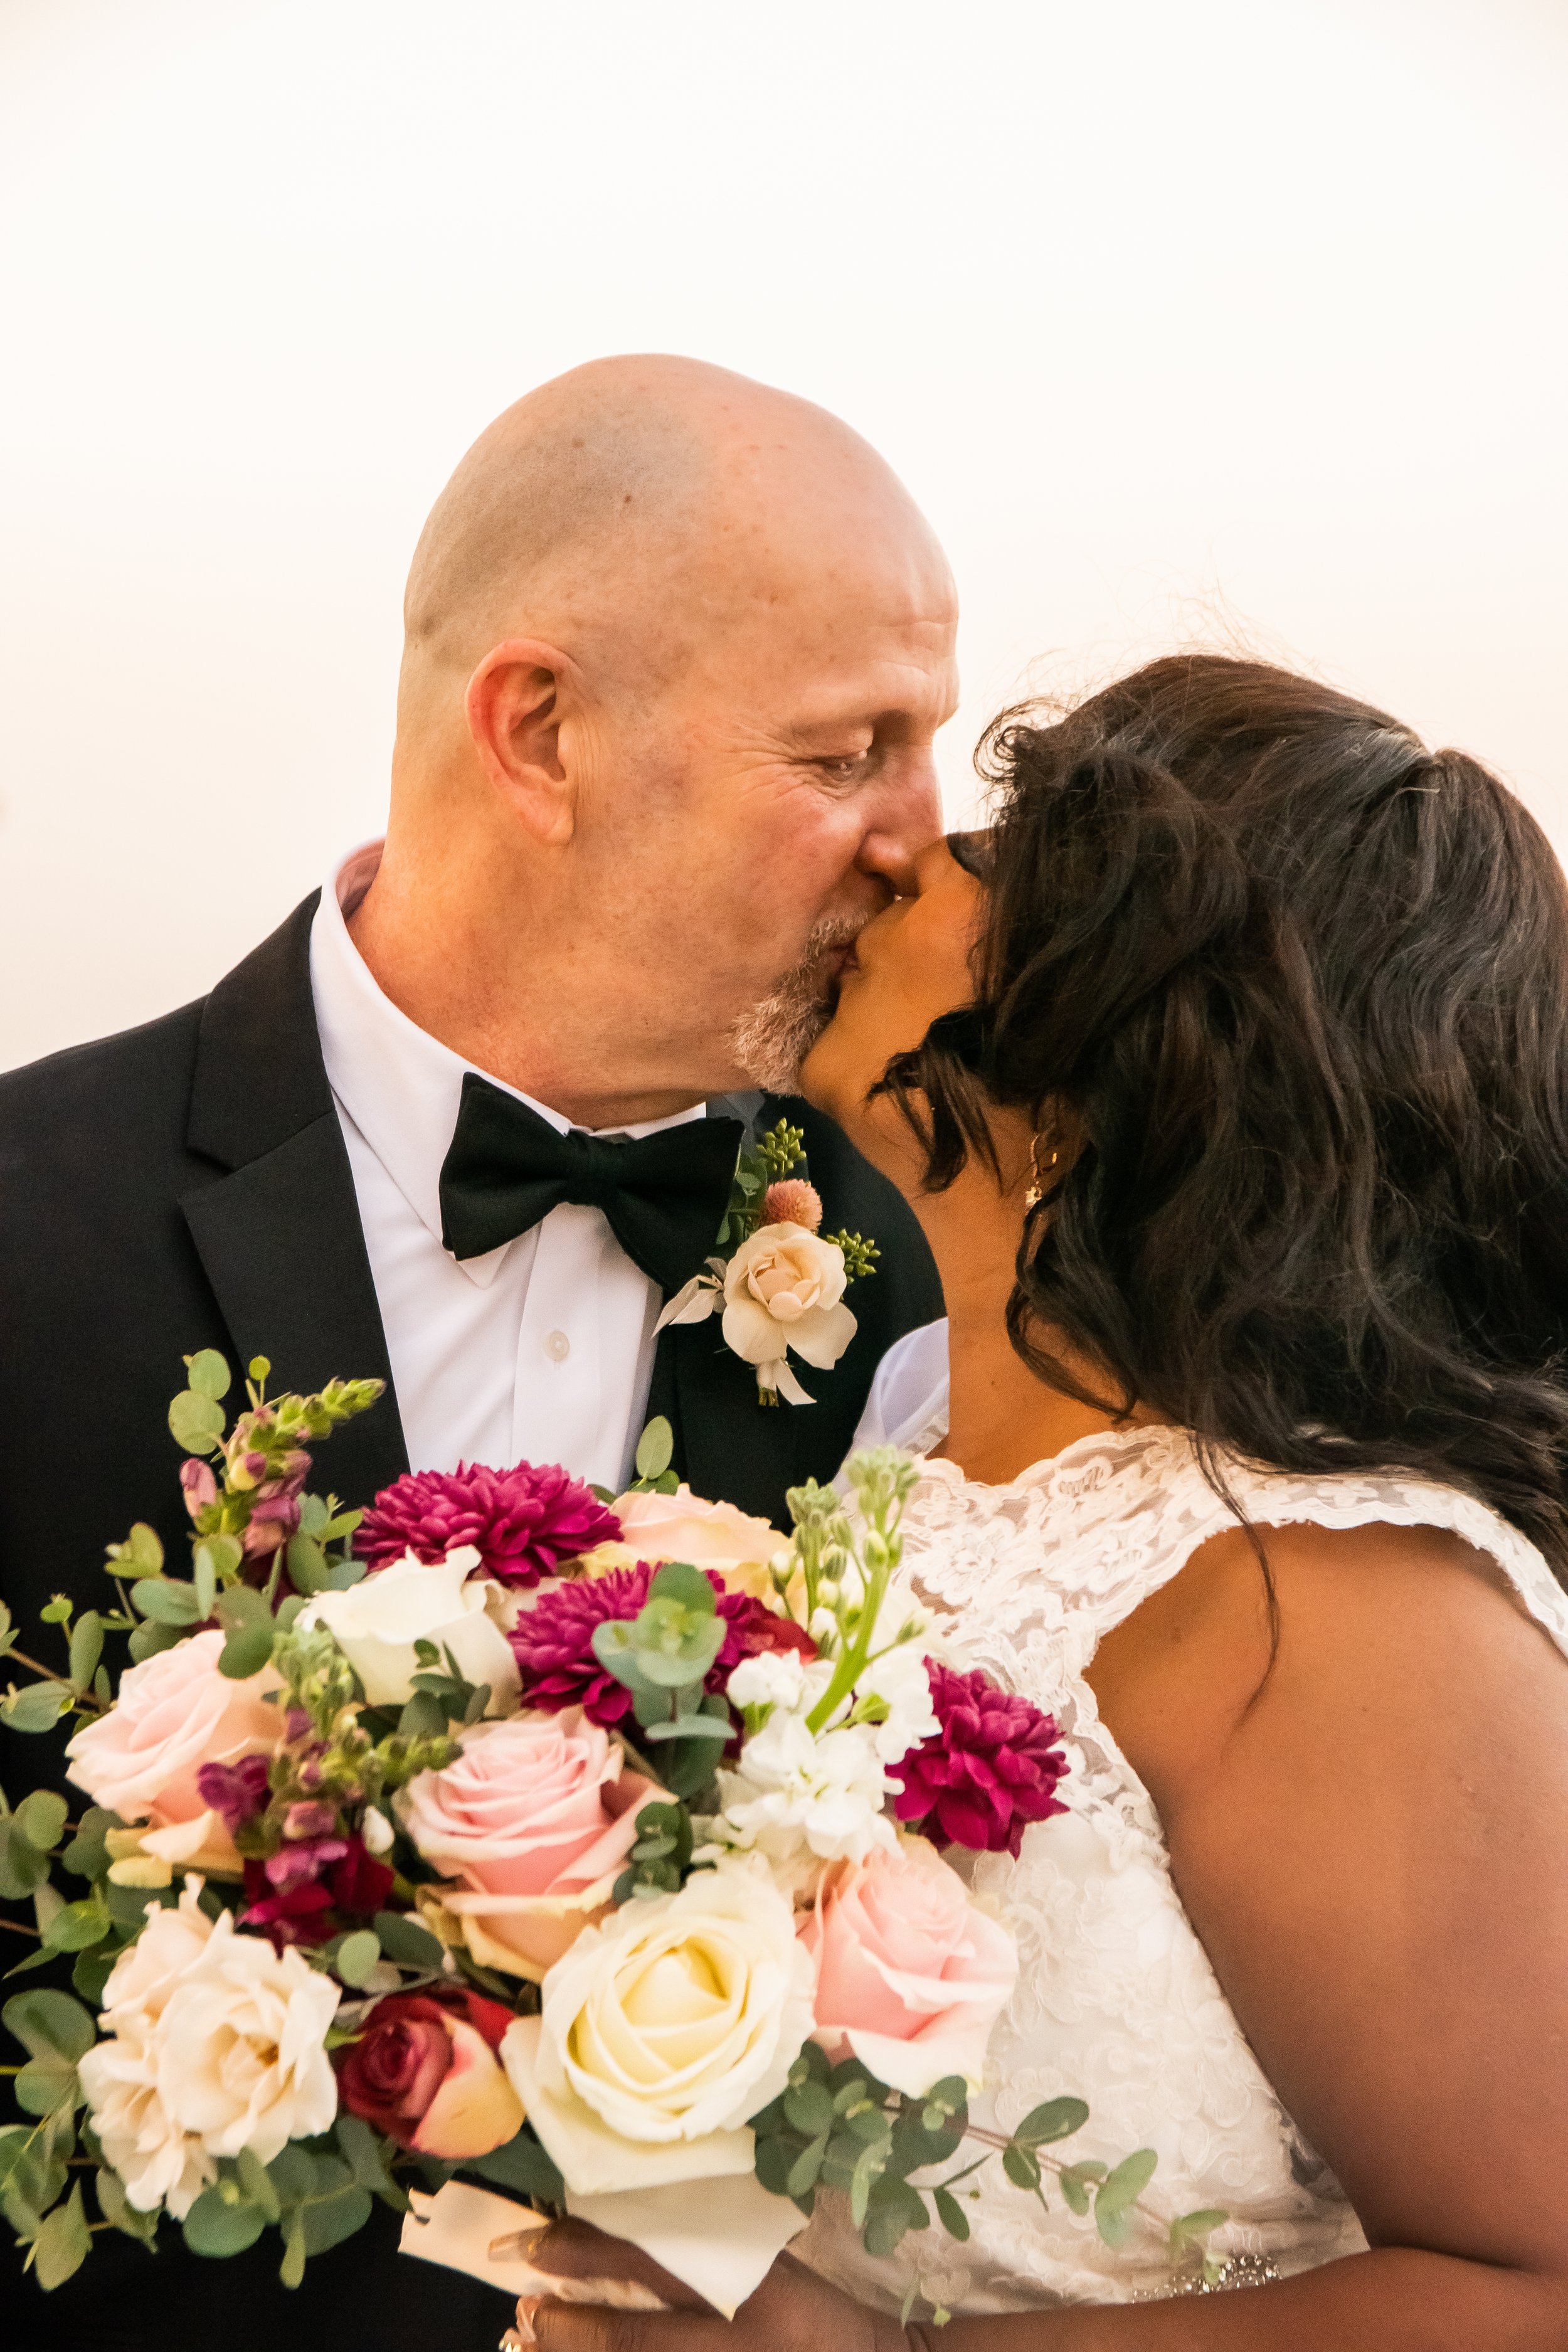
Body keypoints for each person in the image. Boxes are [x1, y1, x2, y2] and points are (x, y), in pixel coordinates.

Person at [0, 356, 951, 2351]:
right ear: (539, 730)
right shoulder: (27, 1218)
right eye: (846, 751)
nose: (916, 841)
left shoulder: (926, 1270)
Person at [519, 655, 1568, 2348]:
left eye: (999, 853)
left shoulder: (1334, 1603)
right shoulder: (893, 1482)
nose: (908, 853)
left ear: (1116, 1044)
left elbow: (1540, 2291)